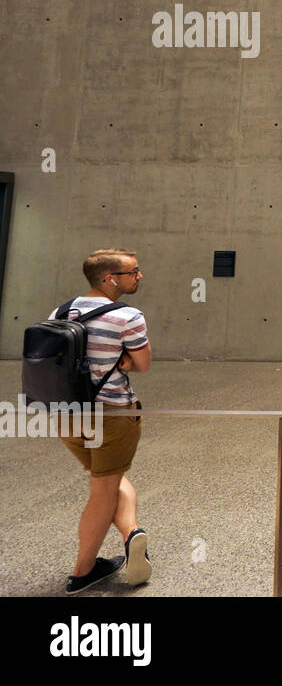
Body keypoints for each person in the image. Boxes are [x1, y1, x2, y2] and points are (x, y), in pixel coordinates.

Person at [57, 249, 153, 594]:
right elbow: (141, 363)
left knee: (110, 481)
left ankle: (131, 533)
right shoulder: (128, 315)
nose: (139, 276)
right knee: (102, 491)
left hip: (66, 416)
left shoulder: (62, 311)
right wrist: (123, 361)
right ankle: (83, 572)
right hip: (111, 414)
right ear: (110, 278)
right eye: (133, 272)